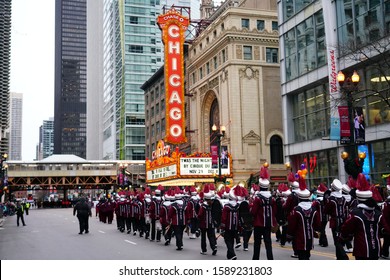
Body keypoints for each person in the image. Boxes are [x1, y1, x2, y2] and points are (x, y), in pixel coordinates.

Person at [340, 173, 388, 260]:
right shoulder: (378, 213)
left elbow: (346, 229)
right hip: (376, 249)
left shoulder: (355, 214)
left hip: (361, 250)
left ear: (358, 199)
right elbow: (385, 229)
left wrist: (342, 238)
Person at [287, 176, 321, 260]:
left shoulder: (296, 210)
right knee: (307, 255)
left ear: (299, 198)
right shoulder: (313, 210)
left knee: (302, 257)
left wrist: (289, 234)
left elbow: (292, 225)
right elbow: (317, 224)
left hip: (299, 237)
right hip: (310, 237)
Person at [250, 164, 276, 260]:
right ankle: (270, 259)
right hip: (268, 224)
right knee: (268, 242)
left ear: (260, 187)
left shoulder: (258, 199)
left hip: (258, 224)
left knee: (257, 243)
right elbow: (274, 211)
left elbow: (253, 212)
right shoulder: (271, 198)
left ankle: (255, 259)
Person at [220, 186, 240, 260]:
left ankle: (232, 254)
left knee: (228, 240)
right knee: (231, 240)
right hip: (235, 227)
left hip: (228, 227)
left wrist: (222, 228)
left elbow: (224, 218)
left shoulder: (227, 206)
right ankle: (229, 255)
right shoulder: (238, 206)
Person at [197, 184, 218, 255]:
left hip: (203, 224)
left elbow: (200, 215)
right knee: (211, 236)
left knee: (203, 237)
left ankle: (204, 250)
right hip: (211, 223)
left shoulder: (203, 206)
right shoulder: (213, 205)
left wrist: (198, 220)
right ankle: (214, 247)